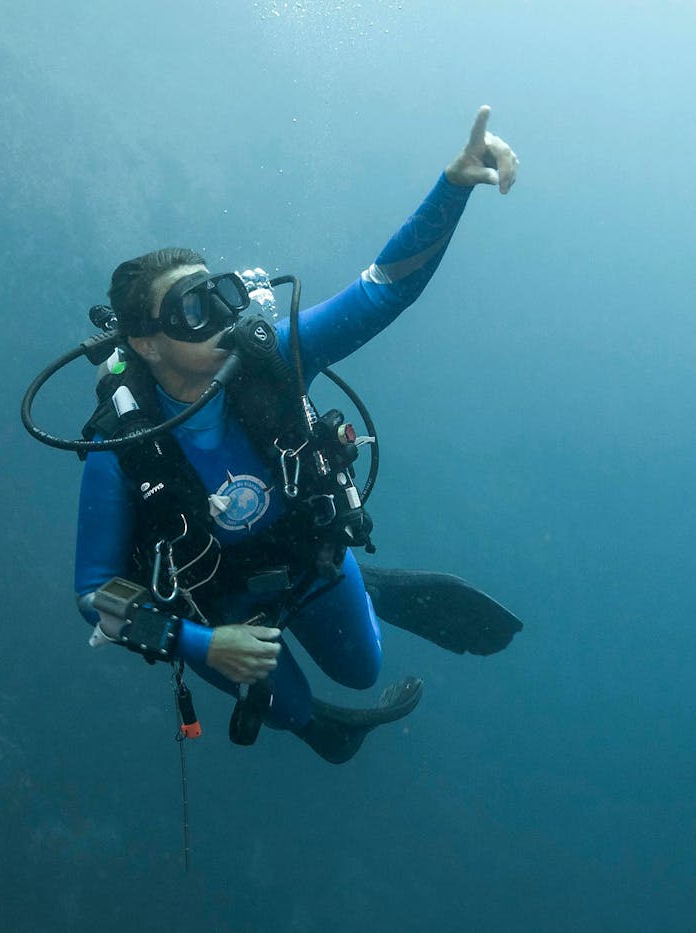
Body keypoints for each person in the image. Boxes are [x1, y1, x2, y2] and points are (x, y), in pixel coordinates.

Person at [74, 106, 519, 763]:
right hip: (218, 608)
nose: (221, 318)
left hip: (310, 557)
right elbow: (93, 593)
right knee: (294, 711)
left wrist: (453, 187)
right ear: (146, 342)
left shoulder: (270, 361)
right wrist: (201, 643)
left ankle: (369, 586)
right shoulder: (124, 451)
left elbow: (383, 292)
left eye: (220, 294)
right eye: (192, 310)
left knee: (363, 669)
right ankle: (321, 718)